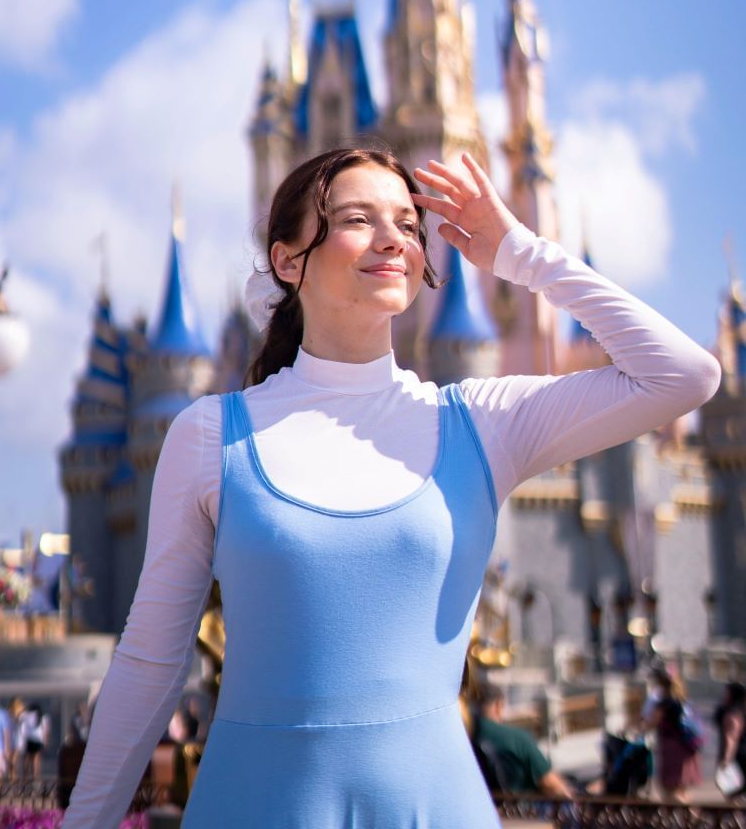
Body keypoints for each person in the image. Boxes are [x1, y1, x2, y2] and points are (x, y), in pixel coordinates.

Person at [61, 147, 721, 828]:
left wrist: (519, 253)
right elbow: (151, 660)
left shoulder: (480, 422)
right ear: (289, 262)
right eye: (358, 218)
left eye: (409, 224)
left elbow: (684, 376)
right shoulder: (211, 437)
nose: (393, 239)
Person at [474, 684, 574, 799]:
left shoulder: (466, 739)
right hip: (520, 812)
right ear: (498, 706)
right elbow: (551, 785)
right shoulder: (517, 739)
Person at [645, 671, 702, 801]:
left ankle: (693, 815)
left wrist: (636, 729)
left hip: (672, 751)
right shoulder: (683, 702)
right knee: (681, 790)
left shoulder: (664, 704)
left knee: (670, 790)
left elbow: (652, 723)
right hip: (687, 749)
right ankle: (691, 818)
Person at [713, 682, 746, 799]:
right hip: (741, 756)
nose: (724, 695)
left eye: (727, 692)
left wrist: (726, 760)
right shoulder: (741, 711)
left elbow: (731, 738)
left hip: (737, 758)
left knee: (733, 796)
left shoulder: (732, 713)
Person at [21, 702, 50, 780]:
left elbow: (21, 718)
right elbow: (46, 731)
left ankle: (25, 776)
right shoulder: (43, 717)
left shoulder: (27, 715)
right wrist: (46, 742)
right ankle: (35, 776)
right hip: (38, 740)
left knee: (27, 759)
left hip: (29, 739)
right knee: (36, 760)